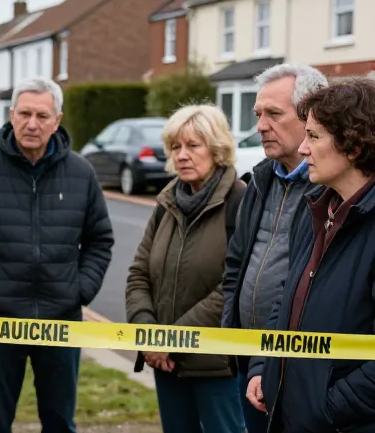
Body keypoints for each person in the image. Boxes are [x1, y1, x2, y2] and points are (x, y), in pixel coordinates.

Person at [0, 77, 114, 433]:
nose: (32, 123)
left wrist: (79, 292)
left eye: (42, 115)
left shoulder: (81, 174)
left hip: (61, 321)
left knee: (60, 421)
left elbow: (100, 240)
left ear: (57, 120)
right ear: (11, 115)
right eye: (24, 114)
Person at [246, 78, 375, 432]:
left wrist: (325, 408)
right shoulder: (315, 211)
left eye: (314, 137)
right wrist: (264, 366)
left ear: (353, 144)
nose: (303, 149)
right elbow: (286, 298)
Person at [125, 104, 246, 432]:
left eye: (193, 145)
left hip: (217, 369)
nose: (182, 155)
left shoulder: (240, 202)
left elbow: (233, 287)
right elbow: (138, 274)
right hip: (166, 364)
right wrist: (148, 334)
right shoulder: (167, 204)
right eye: (175, 147)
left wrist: (170, 340)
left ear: (218, 148)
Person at [220, 63, 327, 432]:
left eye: (273, 114)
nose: (260, 125)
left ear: (311, 116)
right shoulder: (260, 178)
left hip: (295, 363)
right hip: (247, 356)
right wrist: (229, 334)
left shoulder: (330, 190)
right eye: (258, 114)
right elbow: (235, 263)